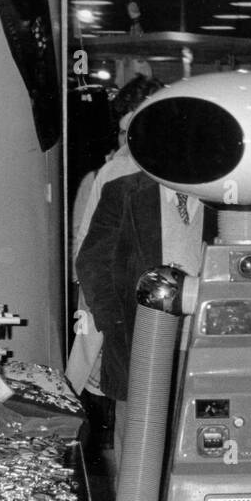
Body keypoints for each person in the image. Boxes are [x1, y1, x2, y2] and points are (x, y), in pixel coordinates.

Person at [76, 89, 209, 472]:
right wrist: (116, 325)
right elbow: (92, 261)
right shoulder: (125, 193)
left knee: (197, 446)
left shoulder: (224, 203)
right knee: (138, 452)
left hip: (201, 347)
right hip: (139, 342)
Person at [66, 75, 162, 448]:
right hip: (132, 315)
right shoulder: (116, 176)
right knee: (134, 420)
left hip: (138, 316)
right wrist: (109, 319)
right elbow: (89, 257)